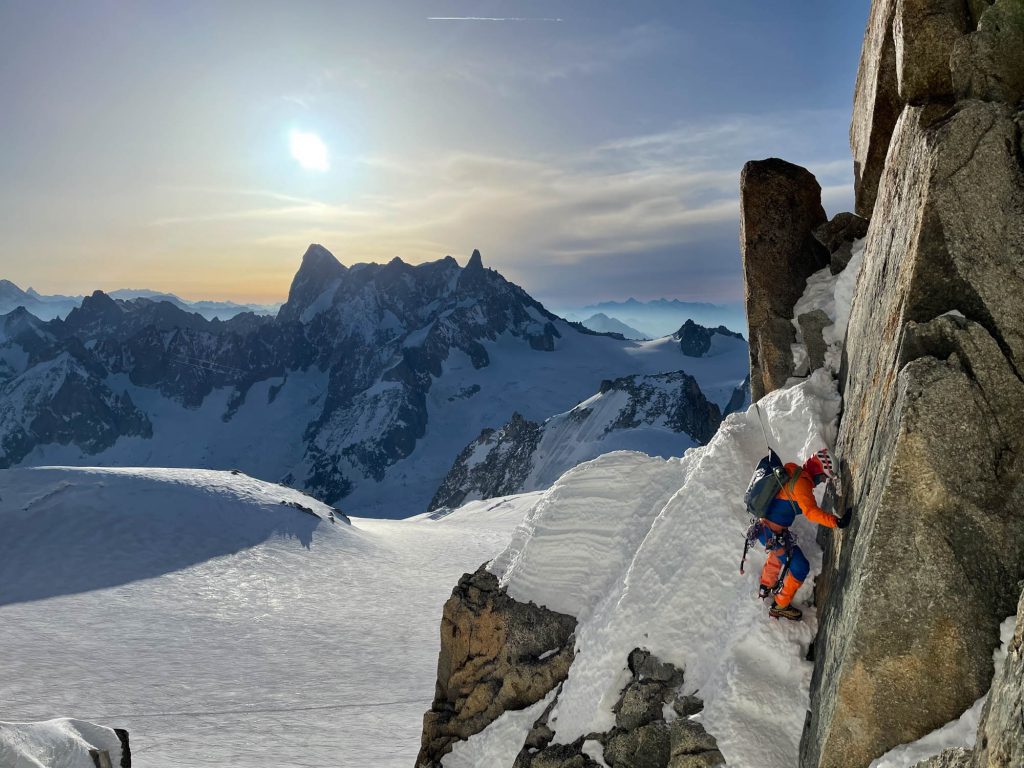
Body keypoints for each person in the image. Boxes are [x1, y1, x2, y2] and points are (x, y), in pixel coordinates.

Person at [758, 449, 850, 621]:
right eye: (823, 476)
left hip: (767, 530)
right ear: (820, 467)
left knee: (779, 555)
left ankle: (765, 586)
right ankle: (780, 606)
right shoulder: (802, 483)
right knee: (800, 567)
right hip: (772, 532)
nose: (822, 481)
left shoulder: (794, 472)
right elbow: (811, 512)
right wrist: (836, 522)